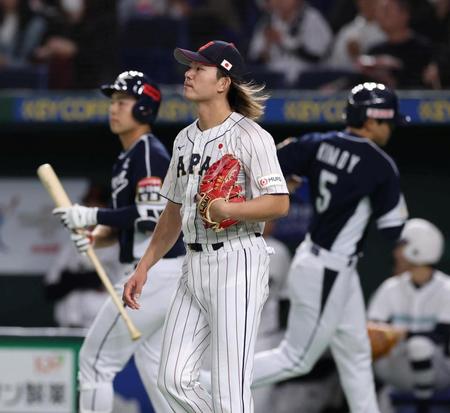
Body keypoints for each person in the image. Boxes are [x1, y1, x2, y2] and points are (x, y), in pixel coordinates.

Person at [123, 40, 290, 412]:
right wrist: (145, 265)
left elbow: (279, 203)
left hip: (238, 260)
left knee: (230, 390)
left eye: (200, 68)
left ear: (222, 82)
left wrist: (229, 206)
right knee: (172, 379)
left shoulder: (251, 136)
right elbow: (171, 213)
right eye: (189, 66)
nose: (189, 72)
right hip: (193, 264)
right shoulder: (184, 139)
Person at [251, 82, 409, 413]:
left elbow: (273, 160)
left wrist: (287, 181)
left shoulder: (319, 142)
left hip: (331, 265)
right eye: (387, 122)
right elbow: (393, 230)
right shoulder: (381, 165)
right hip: (328, 268)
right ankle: (202, 383)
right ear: (370, 119)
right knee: (295, 359)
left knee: (355, 353)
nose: (390, 129)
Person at [53, 70, 185, 413]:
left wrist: (92, 216)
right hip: (154, 272)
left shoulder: (148, 153)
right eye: (113, 102)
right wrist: (95, 236)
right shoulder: (128, 158)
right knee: (160, 378)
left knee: (95, 363)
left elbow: (151, 215)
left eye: (123, 102)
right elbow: (124, 223)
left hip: (154, 272)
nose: (114, 109)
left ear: (143, 108)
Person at [368, 218, 450, 406]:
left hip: (440, 373)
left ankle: (423, 406)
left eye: (403, 245)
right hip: (398, 373)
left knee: (420, 345)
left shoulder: (446, 288)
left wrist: (403, 333)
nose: (397, 252)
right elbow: (371, 326)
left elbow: (443, 334)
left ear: (419, 249)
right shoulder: (390, 288)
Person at [44, 183, 123, 328]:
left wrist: (74, 279)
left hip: (102, 326)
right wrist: (84, 280)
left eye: (97, 207)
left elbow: (115, 287)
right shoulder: (71, 245)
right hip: (68, 324)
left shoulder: (118, 247)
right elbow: (51, 289)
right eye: (88, 205)